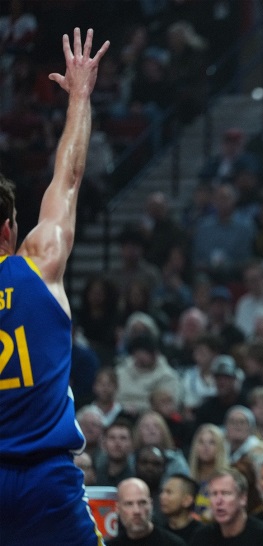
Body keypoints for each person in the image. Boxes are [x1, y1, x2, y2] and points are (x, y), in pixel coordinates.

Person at [0, 27, 109, 546]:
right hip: (45, 478)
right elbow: (69, 178)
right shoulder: (38, 261)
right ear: (9, 228)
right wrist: (79, 97)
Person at [189, 468, 263, 546]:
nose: (218, 501)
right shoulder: (202, 536)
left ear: (243, 498)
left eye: (225, 493)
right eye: (214, 494)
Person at [109, 477, 186, 546]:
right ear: (117, 508)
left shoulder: (173, 543)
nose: (137, 511)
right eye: (129, 504)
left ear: (151, 504)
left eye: (142, 503)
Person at [159, 474, 203, 544]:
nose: (162, 497)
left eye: (169, 492)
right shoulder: (159, 532)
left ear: (187, 500)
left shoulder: (202, 535)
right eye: (162, 491)